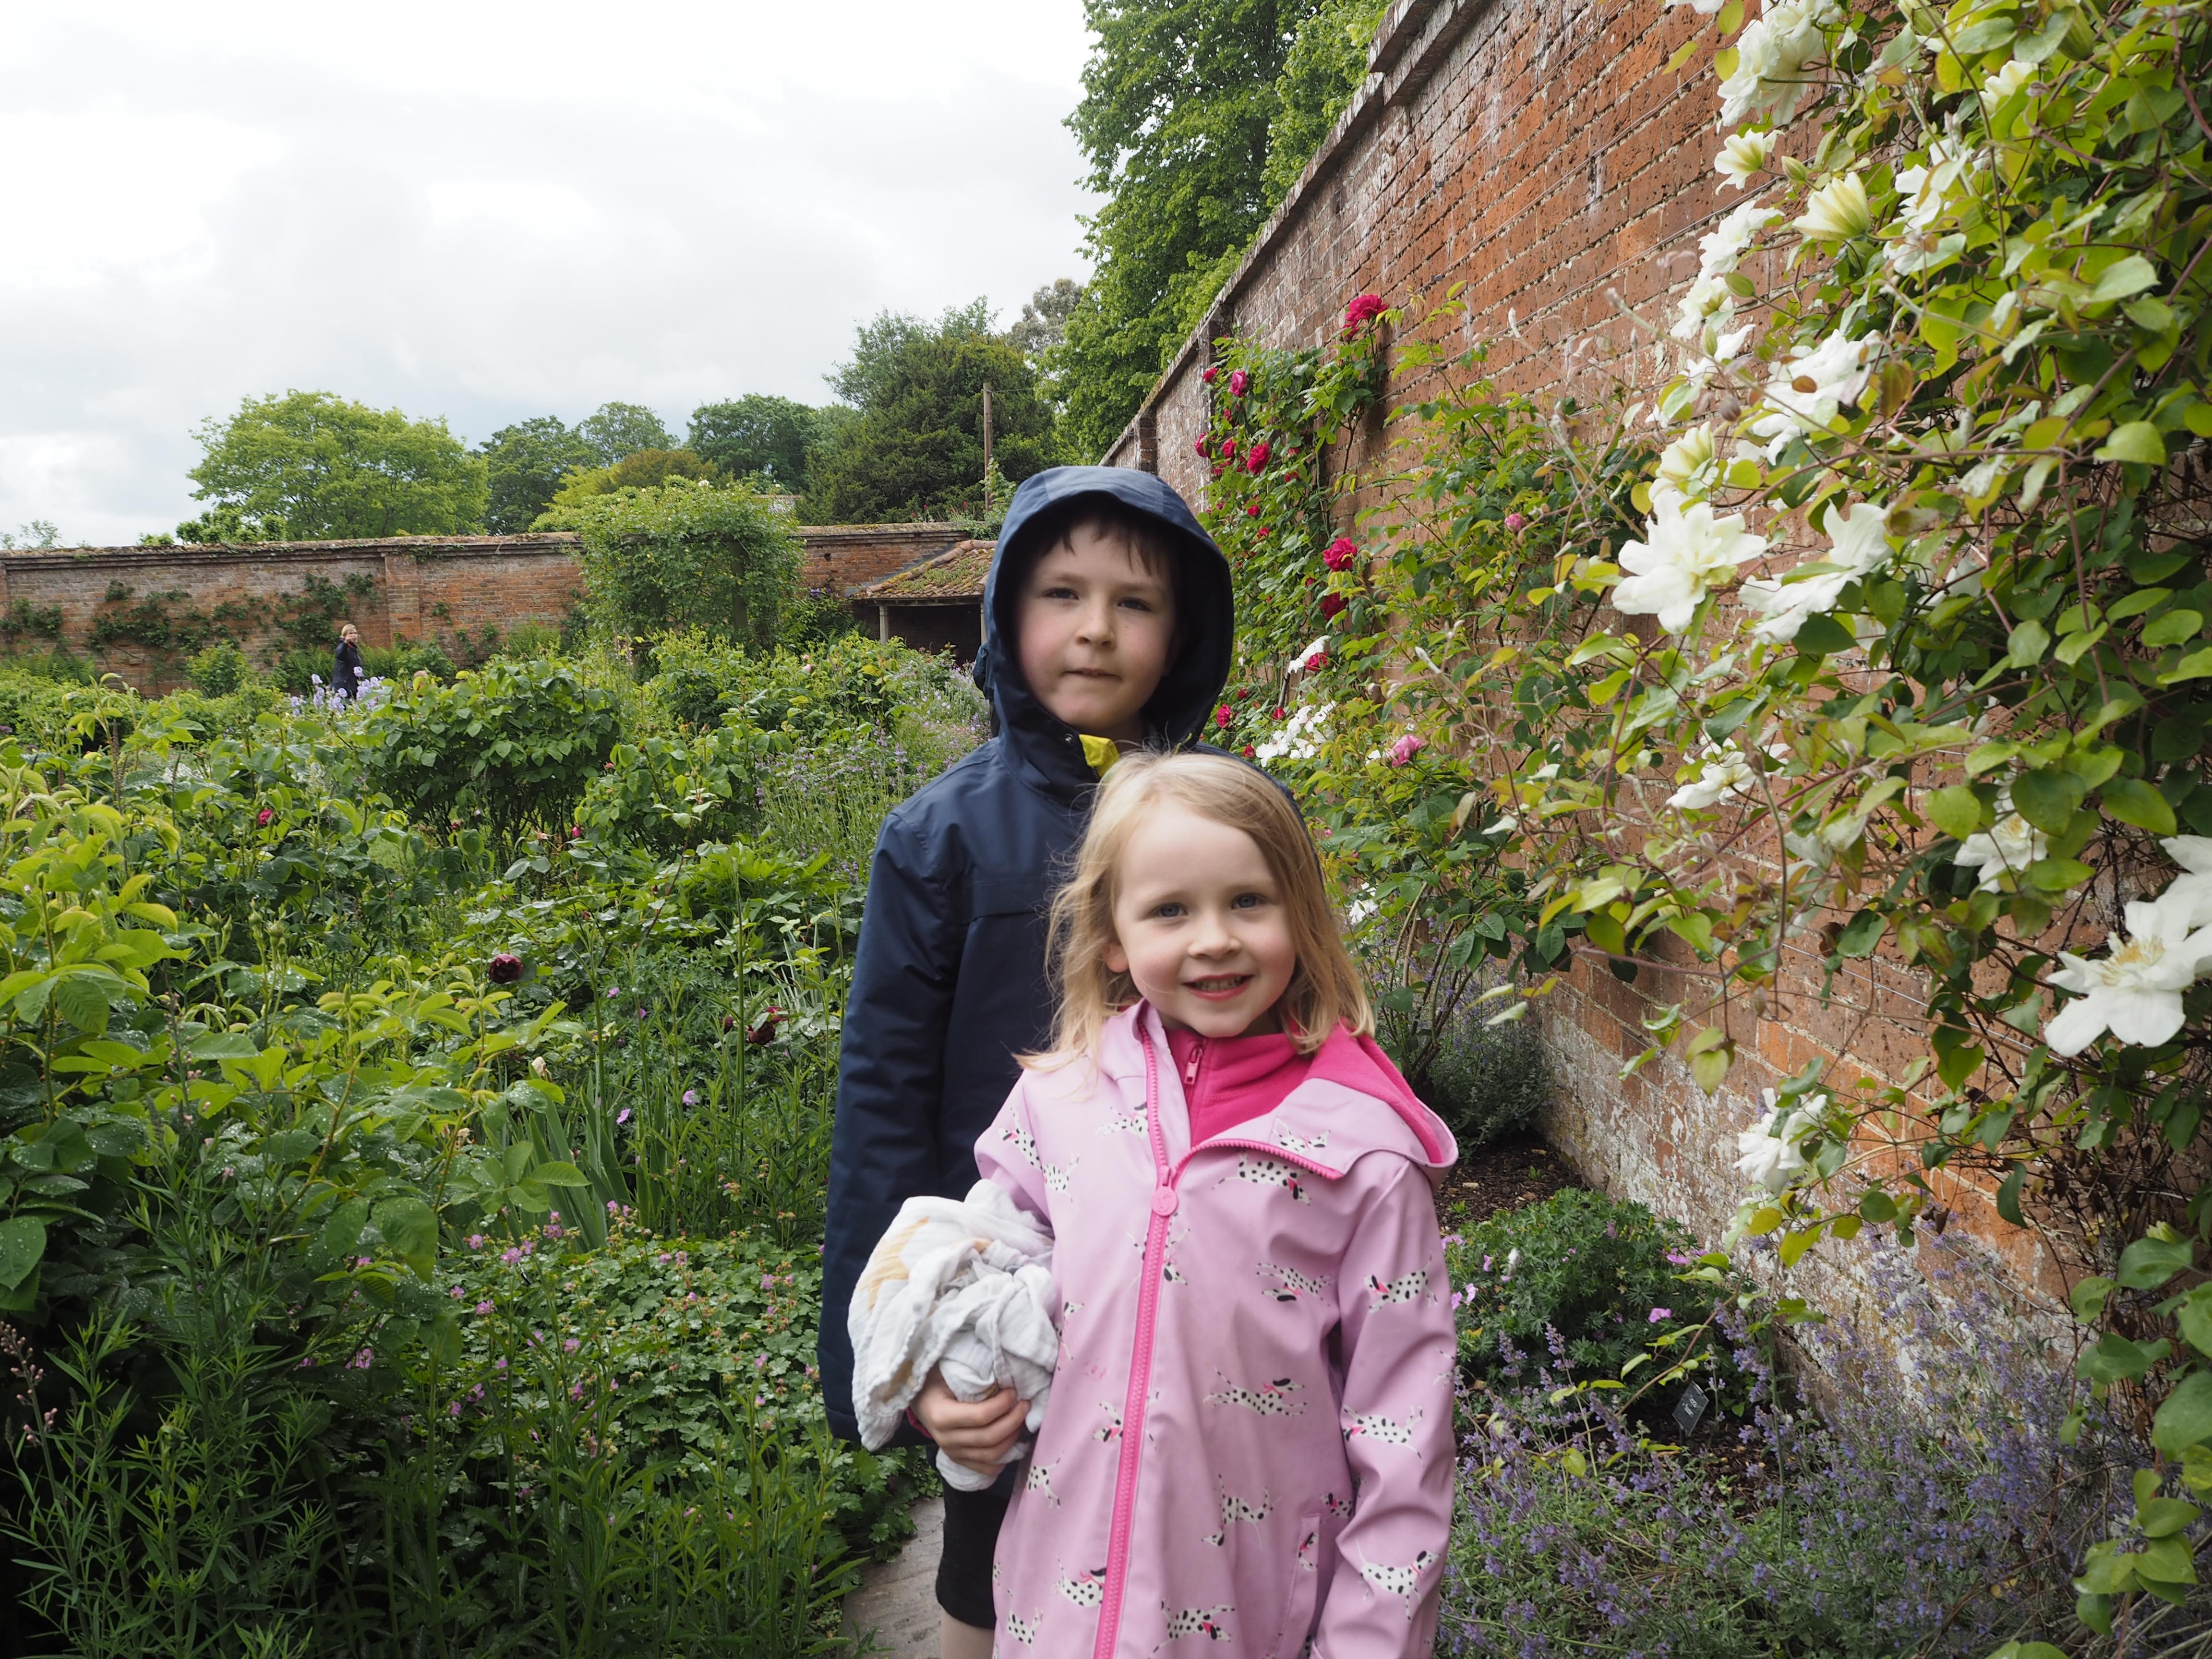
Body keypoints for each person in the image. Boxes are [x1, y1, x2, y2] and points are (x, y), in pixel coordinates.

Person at [820, 466, 1236, 1659]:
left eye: (1135, 601)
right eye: (1062, 591)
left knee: (1187, 1556)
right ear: (1006, 612)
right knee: (987, 1563)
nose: (1097, 627)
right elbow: (883, 1100)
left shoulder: (1228, 816)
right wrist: (890, 1356)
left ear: (1185, 630)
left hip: (1188, 1285)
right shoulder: (940, 837)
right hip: (1011, 1296)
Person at [918, 751, 1458, 1656]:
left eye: (1248, 900)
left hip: (1249, 1620)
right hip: (1054, 1603)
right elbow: (973, 1277)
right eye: (1170, 909)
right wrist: (939, 1395)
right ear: (1112, 938)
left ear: (1302, 915)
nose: (1214, 938)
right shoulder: (1061, 1101)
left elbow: (1404, 1437)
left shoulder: (1364, 1156)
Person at [332, 622, 367, 702]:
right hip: (343, 687)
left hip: (352, 687)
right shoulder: (343, 647)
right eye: (351, 633)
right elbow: (340, 654)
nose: (354, 635)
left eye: (355, 633)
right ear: (344, 636)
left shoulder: (353, 649)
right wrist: (346, 642)